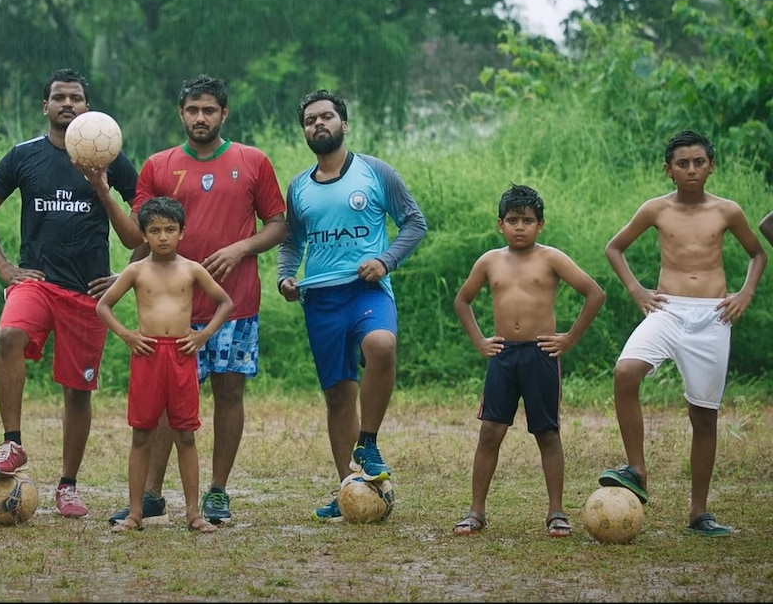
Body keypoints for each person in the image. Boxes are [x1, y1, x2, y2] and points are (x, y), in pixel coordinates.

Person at [100, 74, 287, 526]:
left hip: (233, 303)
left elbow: (278, 224)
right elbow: (136, 234)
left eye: (209, 110)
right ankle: (150, 495)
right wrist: (102, 191)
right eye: (192, 110)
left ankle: (217, 492)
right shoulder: (159, 165)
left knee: (228, 391)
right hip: (172, 313)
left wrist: (242, 248)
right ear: (180, 113)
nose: (200, 117)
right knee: (163, 404)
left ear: (224, 113)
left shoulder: (253, 161)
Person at [0, 68, 141, 518]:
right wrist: (5, 267)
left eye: (77, 97)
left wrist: (124, 274)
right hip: (38, 284)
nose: (68, 104)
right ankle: (12, 443)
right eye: (59, 97)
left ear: (89, 106)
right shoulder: (24, 156)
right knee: (9, 335)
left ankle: (68, 485)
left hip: (88, 290)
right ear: (45, 106)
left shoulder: (111, 154)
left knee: (77, 393)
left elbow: (142, 231)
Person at [598, 130, 766, 537]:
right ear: (668, 169)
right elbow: (614, 248)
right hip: (668, 310)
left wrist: (745, 292)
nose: (691, 170)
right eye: (682, 163)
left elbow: (757, 253)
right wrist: (637, 289)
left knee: (703, 416)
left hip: (713, 317)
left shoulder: (727, 211)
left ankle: (698, 513)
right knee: (625, 372)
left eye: (698, 162)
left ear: (711, 165)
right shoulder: (655, 209)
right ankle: (636, 469)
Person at [276, 89, 428, 521]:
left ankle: (370, 441)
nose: (318, 124)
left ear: (345, 124)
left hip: (366, 290)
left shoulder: (375, 172)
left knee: (381, 345)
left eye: (326, 117)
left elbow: (414, 222)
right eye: (310, 120)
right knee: (339, 396)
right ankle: (349, 488)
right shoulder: (299, 187)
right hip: (320, 299)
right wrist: (286, 277)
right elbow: (292, 241)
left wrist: (386, 260)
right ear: (304, 130)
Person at [451, 184, 606, 537]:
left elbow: (594, 293)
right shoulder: (489, 261)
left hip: (540, 355)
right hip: (504, 357)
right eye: (512, 220)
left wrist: (569, 338)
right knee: (490, 432)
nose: (520, 226)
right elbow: (463, 300)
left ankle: (556, 511)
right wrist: (480, 341)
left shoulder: (552, 258)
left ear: (540, 225)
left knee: (547, 433)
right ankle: (476, 511)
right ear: (500, 224)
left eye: (528, 220)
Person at [96, 196, 234, 534]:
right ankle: (134, 514)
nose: (162, 237)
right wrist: (127, 335)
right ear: (144, 235)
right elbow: (103, 306)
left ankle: (193, 513)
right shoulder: (136, 271)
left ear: (182, 232)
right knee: (142, 434)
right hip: (147, 355)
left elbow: (225, 303)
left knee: (185, 435)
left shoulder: (192, 269)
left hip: (182, 356)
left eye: (170, 229)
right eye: (155, 230)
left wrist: (203, 337)